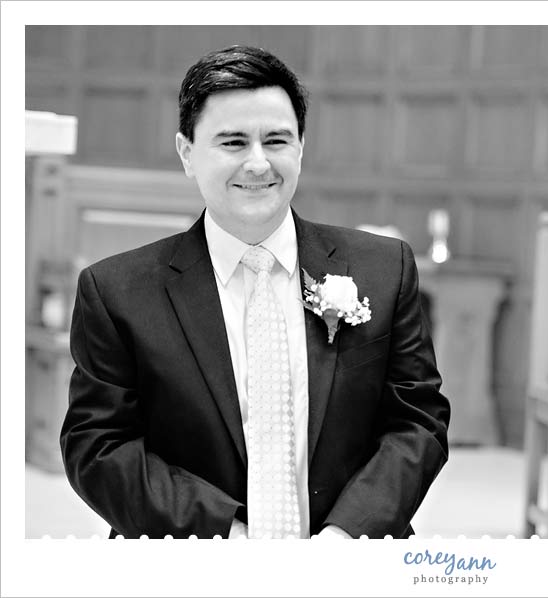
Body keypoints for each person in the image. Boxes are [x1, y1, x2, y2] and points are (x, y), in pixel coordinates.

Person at [60, 45, 450, 539]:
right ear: (187, 153)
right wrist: (226, 536)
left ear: (302, 147)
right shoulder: (116, 291)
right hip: (187, 559)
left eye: (277, 140)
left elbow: (418, 422)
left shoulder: (383, 268)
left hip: (349, 559)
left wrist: (347, 535)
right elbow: (98, 446)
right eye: (233, 142)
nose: (259, 164)